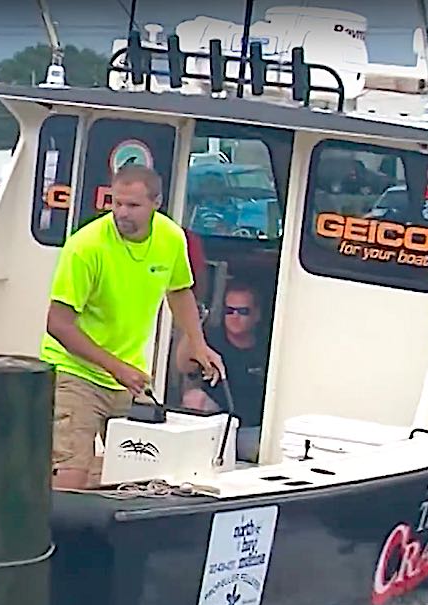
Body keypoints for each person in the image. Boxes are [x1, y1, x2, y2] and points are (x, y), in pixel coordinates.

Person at [41, 164, 226, 490]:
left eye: (133, 205)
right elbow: (57, 324)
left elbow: (179, 290)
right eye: (117, 203)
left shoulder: (171, 237)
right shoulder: (86, 246)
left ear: (157, 203)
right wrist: (117, 368)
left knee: (142, 471)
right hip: (75, 372)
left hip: (128, 374)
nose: (122, 213)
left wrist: (198, 344)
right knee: (71, 473)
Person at [180, 280, 269, 462]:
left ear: (257, 315)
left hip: (252, 430)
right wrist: (194, 327)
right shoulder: (211, 340)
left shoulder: (268, 347)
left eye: (243, 311)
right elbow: (184, 366)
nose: (235, 317)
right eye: (229, 311)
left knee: (267, 450)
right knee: (194, 398)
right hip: (215, 428)